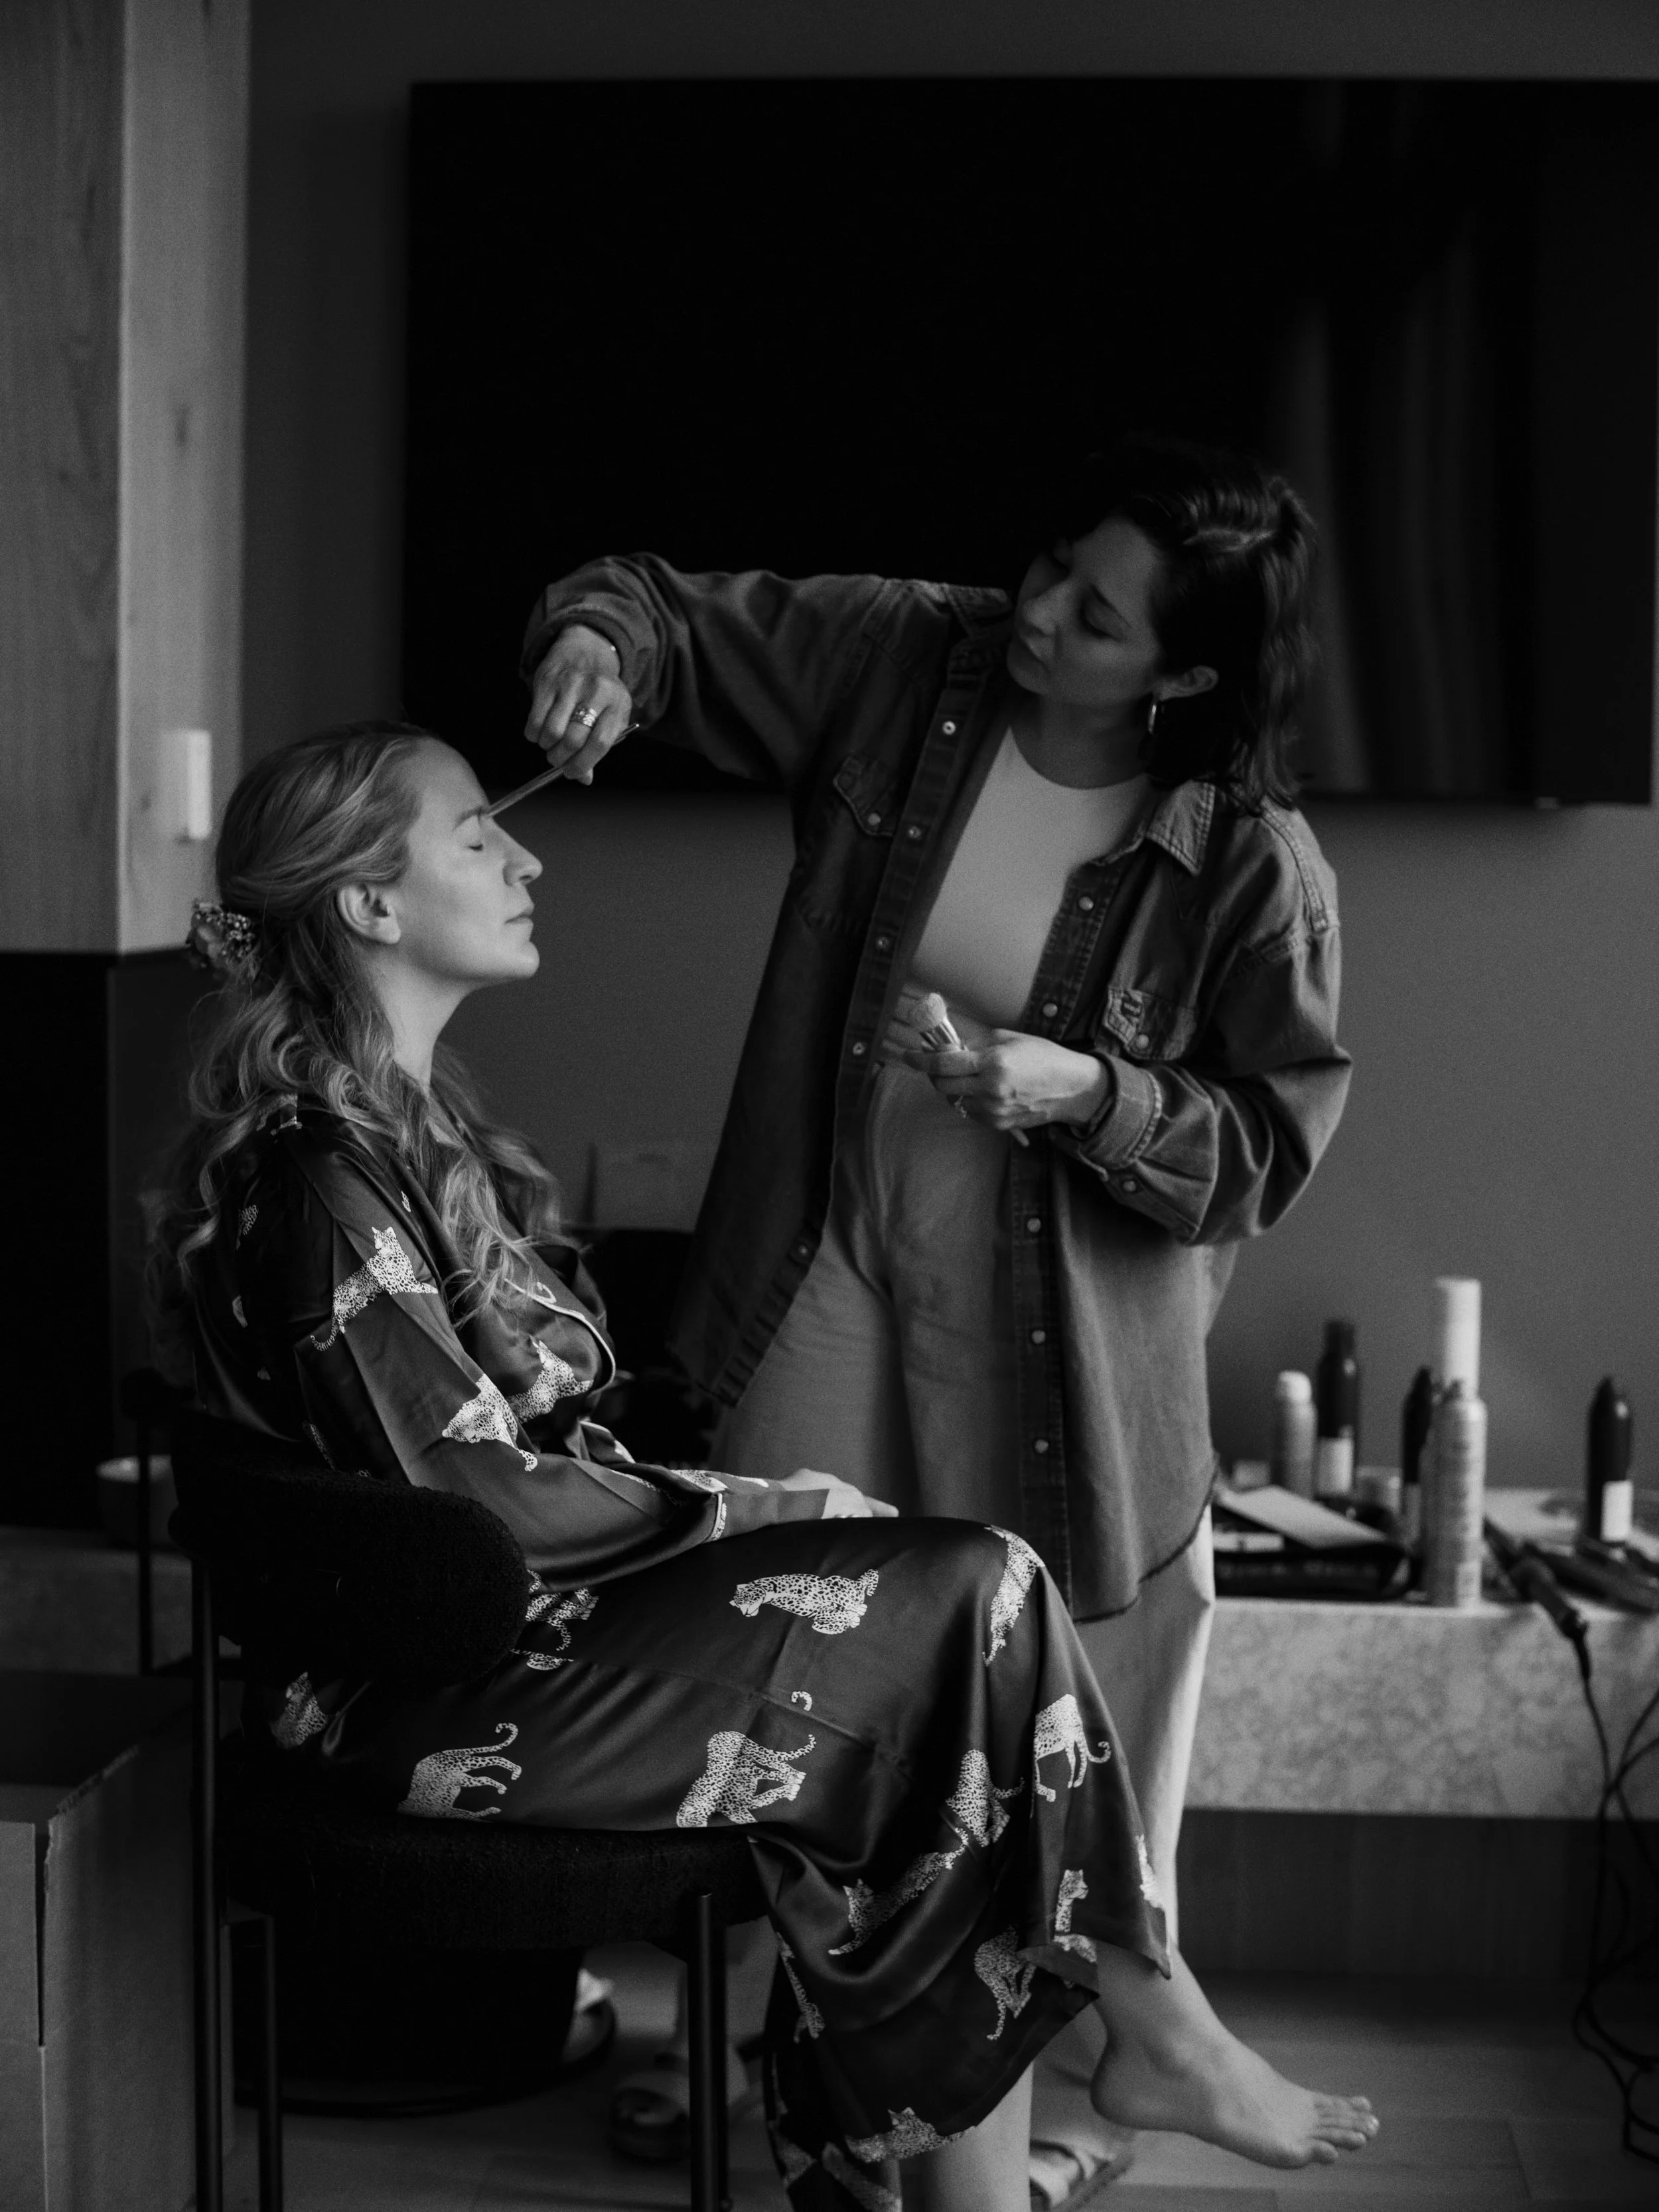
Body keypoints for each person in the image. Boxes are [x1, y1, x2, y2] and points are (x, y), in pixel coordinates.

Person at [147, 724, 1376, 2212]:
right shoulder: (320, 1177)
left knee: (944, 1701)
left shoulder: (405, 1128)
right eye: (477, 833)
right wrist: (759, 1506)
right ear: (367, 904)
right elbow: (470, 1503)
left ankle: (1037, 2104)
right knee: (968, 1606)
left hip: (519, 1639)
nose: (527, 854)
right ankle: (1126, 2026)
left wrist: (738, 1521)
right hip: (423, 1698)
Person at [519, 437, 1350, 2193]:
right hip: (831, 1227)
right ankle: (804, 2075)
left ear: (1182, 673)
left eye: (1096, 613)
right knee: (806, 1657)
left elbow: (1262, 1145)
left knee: (1032, 1712)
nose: (1035, 611)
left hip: (1064, 1328)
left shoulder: (1249, 861)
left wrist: (1078, 1087)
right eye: (1052, 564)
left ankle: (1042, 2109)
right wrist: (601, 648)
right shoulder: (917, 654)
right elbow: (663, 608)